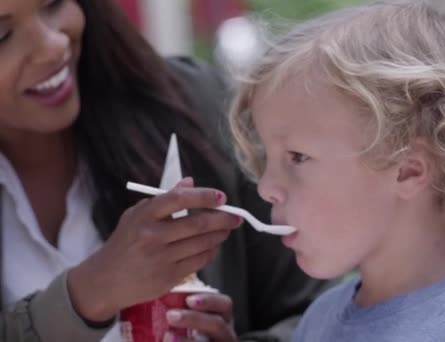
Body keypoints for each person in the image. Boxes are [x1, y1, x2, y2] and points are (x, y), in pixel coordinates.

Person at [0, 0, 331, 341]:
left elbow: (325, 312)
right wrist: (88, 294)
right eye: (3, 34)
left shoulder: (193, 104)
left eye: (53, 3)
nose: (52, 46)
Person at [228, 1, 445, 341]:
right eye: (268, 159)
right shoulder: (319, 320)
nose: (265, 187)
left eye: (296, 157)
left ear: (408, 169)